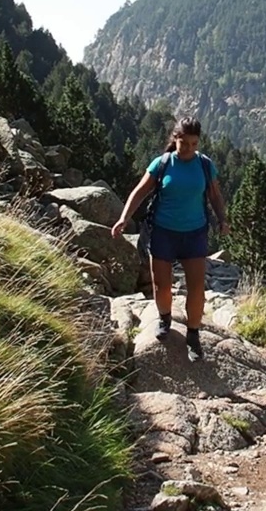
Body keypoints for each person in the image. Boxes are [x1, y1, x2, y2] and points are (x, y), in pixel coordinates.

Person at [111, 117, 229, 361]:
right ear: (175, 139)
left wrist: (222, 219)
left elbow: (215, 195)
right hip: (163, 232)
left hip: (195, 234)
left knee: (196, 289)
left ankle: (193, 335)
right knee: (161, 287)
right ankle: (164, 319)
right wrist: (124, 218)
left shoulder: (205, 165)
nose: (188, 148)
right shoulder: (162, 164)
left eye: (194, 144)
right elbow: (139, 192)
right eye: (184, 143)